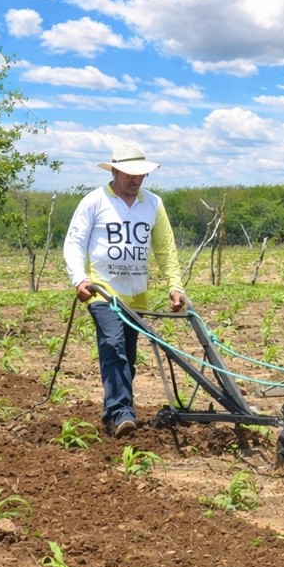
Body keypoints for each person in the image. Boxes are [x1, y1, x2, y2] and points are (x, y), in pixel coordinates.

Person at [64, 141, 187, 438]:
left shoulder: (153, 204)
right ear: (115, 171)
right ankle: (121, 413)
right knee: (113, 347)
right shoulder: (94, 201)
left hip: (137, 295)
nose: (135, 179)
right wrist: (79, 279)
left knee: (127, 356)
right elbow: (74, 243)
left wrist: (175, 285)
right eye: (129, 174)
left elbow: (165, 249)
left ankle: (116, 410)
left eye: (140, 175)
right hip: (103, 292)